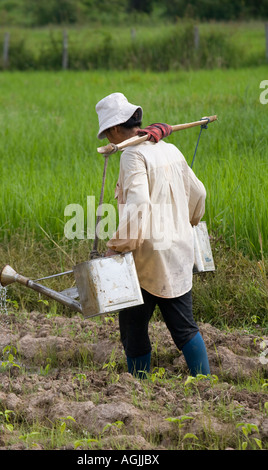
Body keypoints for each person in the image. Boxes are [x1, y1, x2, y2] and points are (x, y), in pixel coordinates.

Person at [95, 92, 211, 379]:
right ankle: (208, 385)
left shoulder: (132, 155)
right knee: (184, 328)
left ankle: (139, 389)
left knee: (133, 329)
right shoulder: (169, 149)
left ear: (113, 129)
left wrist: (117, 247)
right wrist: (187, 222)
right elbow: (199, 193)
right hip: (179, 250)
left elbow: (139, 206)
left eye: (107, 134)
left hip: (146, 259)